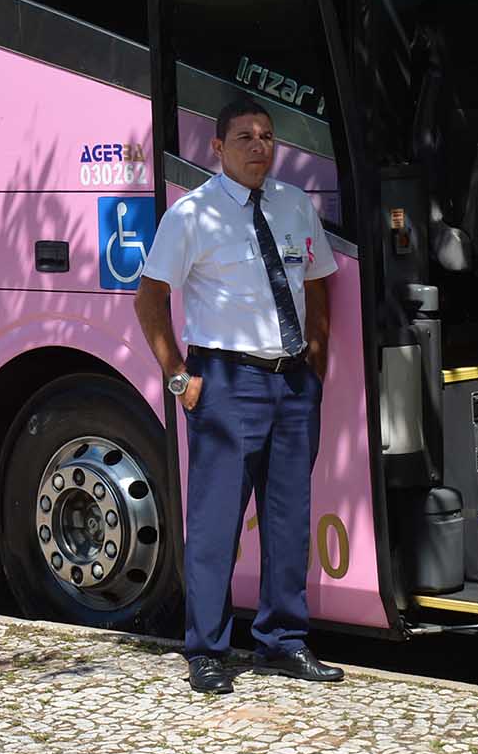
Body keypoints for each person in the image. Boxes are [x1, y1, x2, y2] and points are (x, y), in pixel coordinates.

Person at [133, 98, 344, 694]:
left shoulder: (295, 205)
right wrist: (178, 375)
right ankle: (207, 651)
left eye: (267, 136)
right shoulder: (192, 215)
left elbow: (317, 281)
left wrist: (317, 358)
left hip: (292, 381)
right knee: (215, 522)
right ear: (217, 148)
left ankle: (282, 642)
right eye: (245, 137)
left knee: (289, 519)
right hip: (226, 383)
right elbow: (149, 299)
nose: (259, 146)